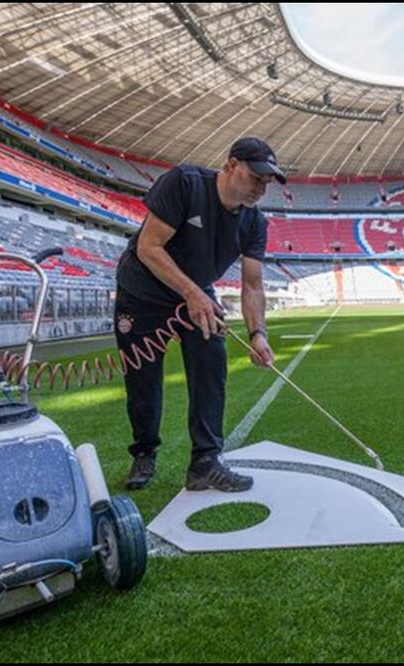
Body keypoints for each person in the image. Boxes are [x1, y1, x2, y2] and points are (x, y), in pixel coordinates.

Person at [114, 137, 284, 491]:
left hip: (196, 291)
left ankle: (205, 461)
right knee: (142, 381)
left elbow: (252, 285)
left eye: (266, 183)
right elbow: (148, 247)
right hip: (143, 291)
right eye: (256, 177)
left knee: (211, 363)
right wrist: (191, 292)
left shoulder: (255, 223)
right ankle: (144, 452)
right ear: (231, 164)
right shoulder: (185, 183)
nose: (260, 188)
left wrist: (258, 335)